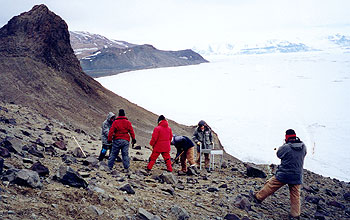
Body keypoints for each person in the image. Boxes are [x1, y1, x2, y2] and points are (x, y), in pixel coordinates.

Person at [250, 129, 307, 220]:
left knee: (271, 185)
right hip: (297, 175)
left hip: (284, 174)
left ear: (287, 137)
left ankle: (258, 197)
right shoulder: (303, 146)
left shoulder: (286, 147)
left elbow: (279, 154)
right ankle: (295, 215)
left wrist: (285, 144)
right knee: (295, 195)